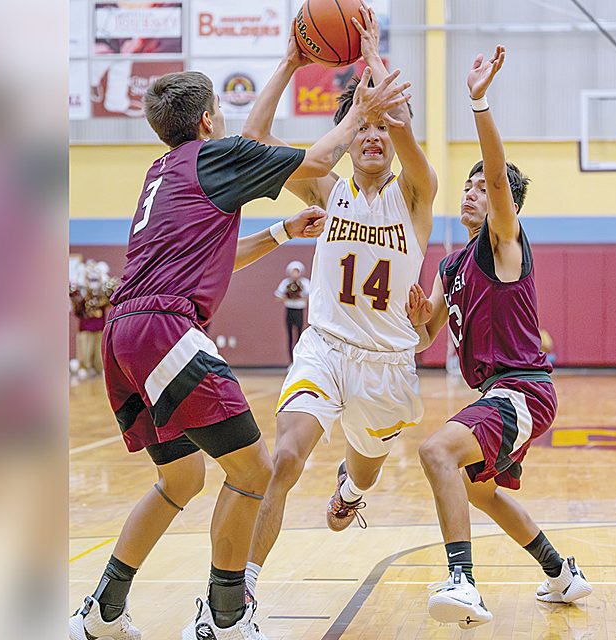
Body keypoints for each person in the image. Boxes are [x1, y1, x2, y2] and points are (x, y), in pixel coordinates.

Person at [68, 68, 409, 640]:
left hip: (123, 335)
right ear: (206, 121)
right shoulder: (212, 156)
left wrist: (279, 232)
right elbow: (320, 161)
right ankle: (225, 617)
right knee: (253, 470)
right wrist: (359, 110)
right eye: (220, 111)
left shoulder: (162, 173)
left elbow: (214, 256)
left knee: (180, 480)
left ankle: (104, 609)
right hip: (165, 329)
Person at [240, 5, 435, 599]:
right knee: (285, 460)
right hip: (324, 348)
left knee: (365, 469)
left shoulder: (418, 193)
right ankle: (238, 593)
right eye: (364, 130)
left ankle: (351, 489)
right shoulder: (327, 185)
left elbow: (398, 121)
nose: (375, 136)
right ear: (350, 139)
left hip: (386, 366)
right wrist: (290, 62)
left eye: (385, 129)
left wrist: (372, 64)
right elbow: (252, 142)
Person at [406, 46, 592, 629]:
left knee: (436, 451)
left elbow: (496, 172)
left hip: (521, 390)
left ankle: (463, 583)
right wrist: (414, 320)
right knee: (481, 491)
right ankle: (562, 574)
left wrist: (479, 100)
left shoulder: (503, 243)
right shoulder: (451, 265)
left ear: (502, 202)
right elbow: (425, 338)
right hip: (494, 394)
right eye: (466, 187)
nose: (470, 193)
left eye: (481, 188)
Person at [274, 260, 310, 363]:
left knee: (299, 335)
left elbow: (310, 295)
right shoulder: (286, 283)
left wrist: (299, 296)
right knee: (290, 335)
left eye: (297, 271)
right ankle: (291, 361)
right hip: (289, 310)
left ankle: (299, 360)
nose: (295, 274)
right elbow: (278, 296)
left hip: (299, 310)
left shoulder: (305, 283)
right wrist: (288, 297)